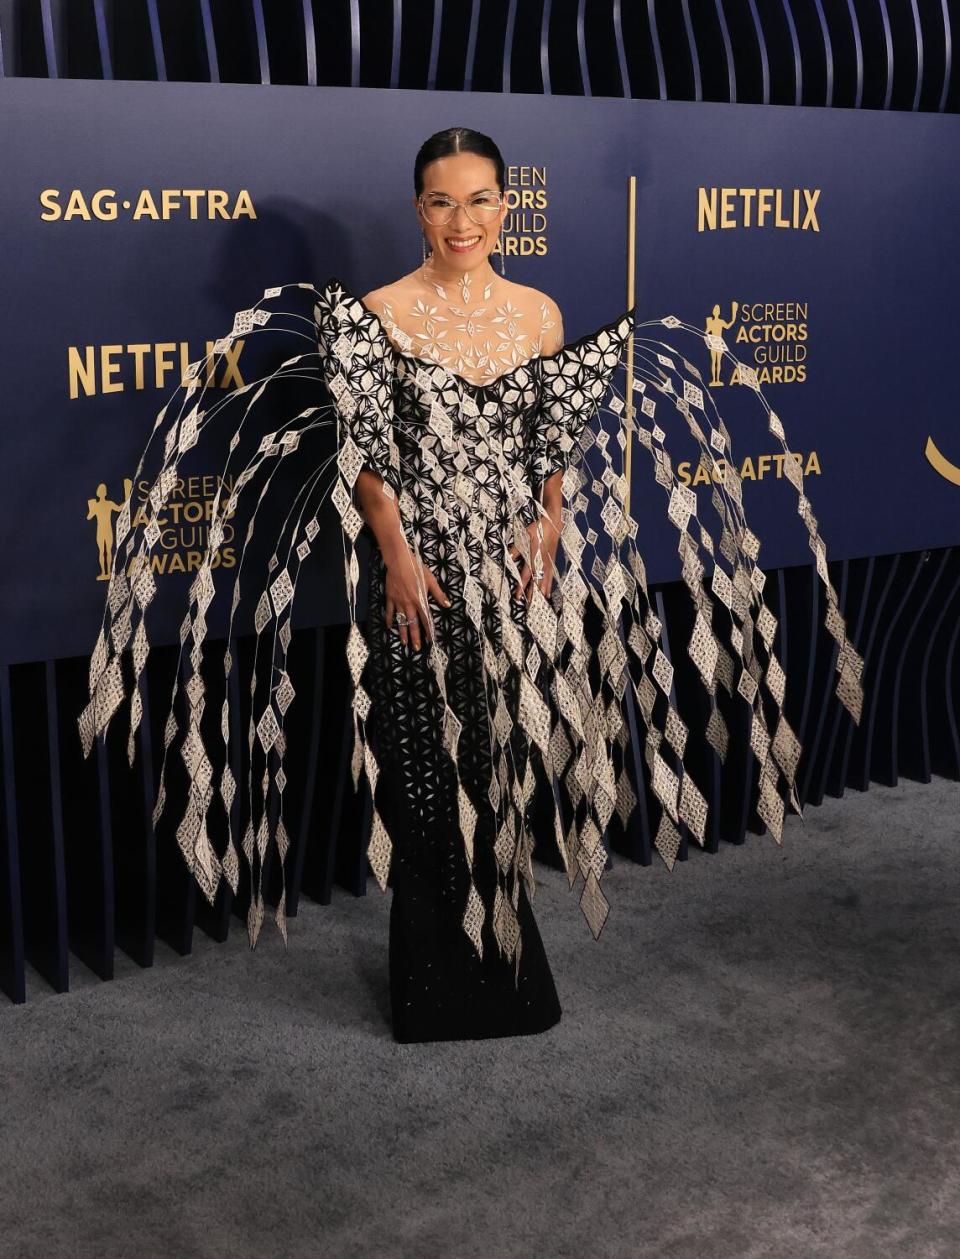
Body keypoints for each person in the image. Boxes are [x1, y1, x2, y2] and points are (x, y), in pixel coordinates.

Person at [80, 127, 863, 1045]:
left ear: (506, 205)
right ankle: (436, 983)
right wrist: (396, 551)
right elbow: (367, 456)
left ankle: (504, 964)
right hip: (416, 577)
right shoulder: (377, 312)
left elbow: (546, 445)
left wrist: (550, 516)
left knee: (500, 773)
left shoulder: (537, 312)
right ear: (420, 208)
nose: (464, 220)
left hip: (509, 580)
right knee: (422, 773)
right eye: (444, 201)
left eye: (481, 200)